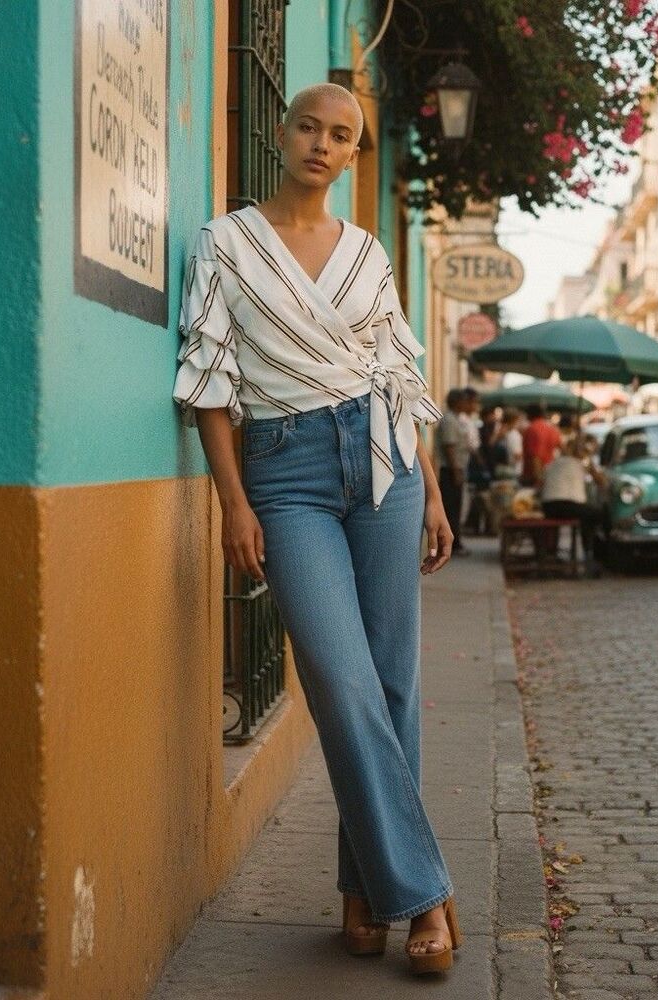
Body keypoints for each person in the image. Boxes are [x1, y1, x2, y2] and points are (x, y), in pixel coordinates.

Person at [172, 83, 461, 974]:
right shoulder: (224, 244)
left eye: (342, 135)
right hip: (285, 469)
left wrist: (436, 489)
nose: (323, 145)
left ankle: (365, 888)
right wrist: (233, 500)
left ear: (352, 153)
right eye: (310, 127)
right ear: (284, 132)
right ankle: (428, 893)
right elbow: (209, 377)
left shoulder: (368, 252)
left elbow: (400, 373)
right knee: (339, 680)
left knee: (393, 686)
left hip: (385, 464)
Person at [540, 436, 607, 575]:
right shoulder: (580, 463)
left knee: (587, 516)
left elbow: (541, 484)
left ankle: (556, 553)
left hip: (548, 506)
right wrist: (590, 462)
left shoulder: (552, 463)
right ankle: (589, 552)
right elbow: (602, 482)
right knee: (596, 515)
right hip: (569, 505)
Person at [437, 389, 472, 556]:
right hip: (451, 470)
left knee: (456, 507)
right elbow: (449, 447)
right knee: (451, 508)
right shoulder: (449, 420)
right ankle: (451, 544)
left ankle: (455, 541)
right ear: (457, 402)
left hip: (456, 469)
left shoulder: (457, 419)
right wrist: (456, 471)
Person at [521, 403, 562, 486]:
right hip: (550, 474)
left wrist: (538, 480)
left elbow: (535, 456)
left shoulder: (532, 429)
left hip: (533, 478)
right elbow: (562, 448)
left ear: (530, 414)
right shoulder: (552, 429)